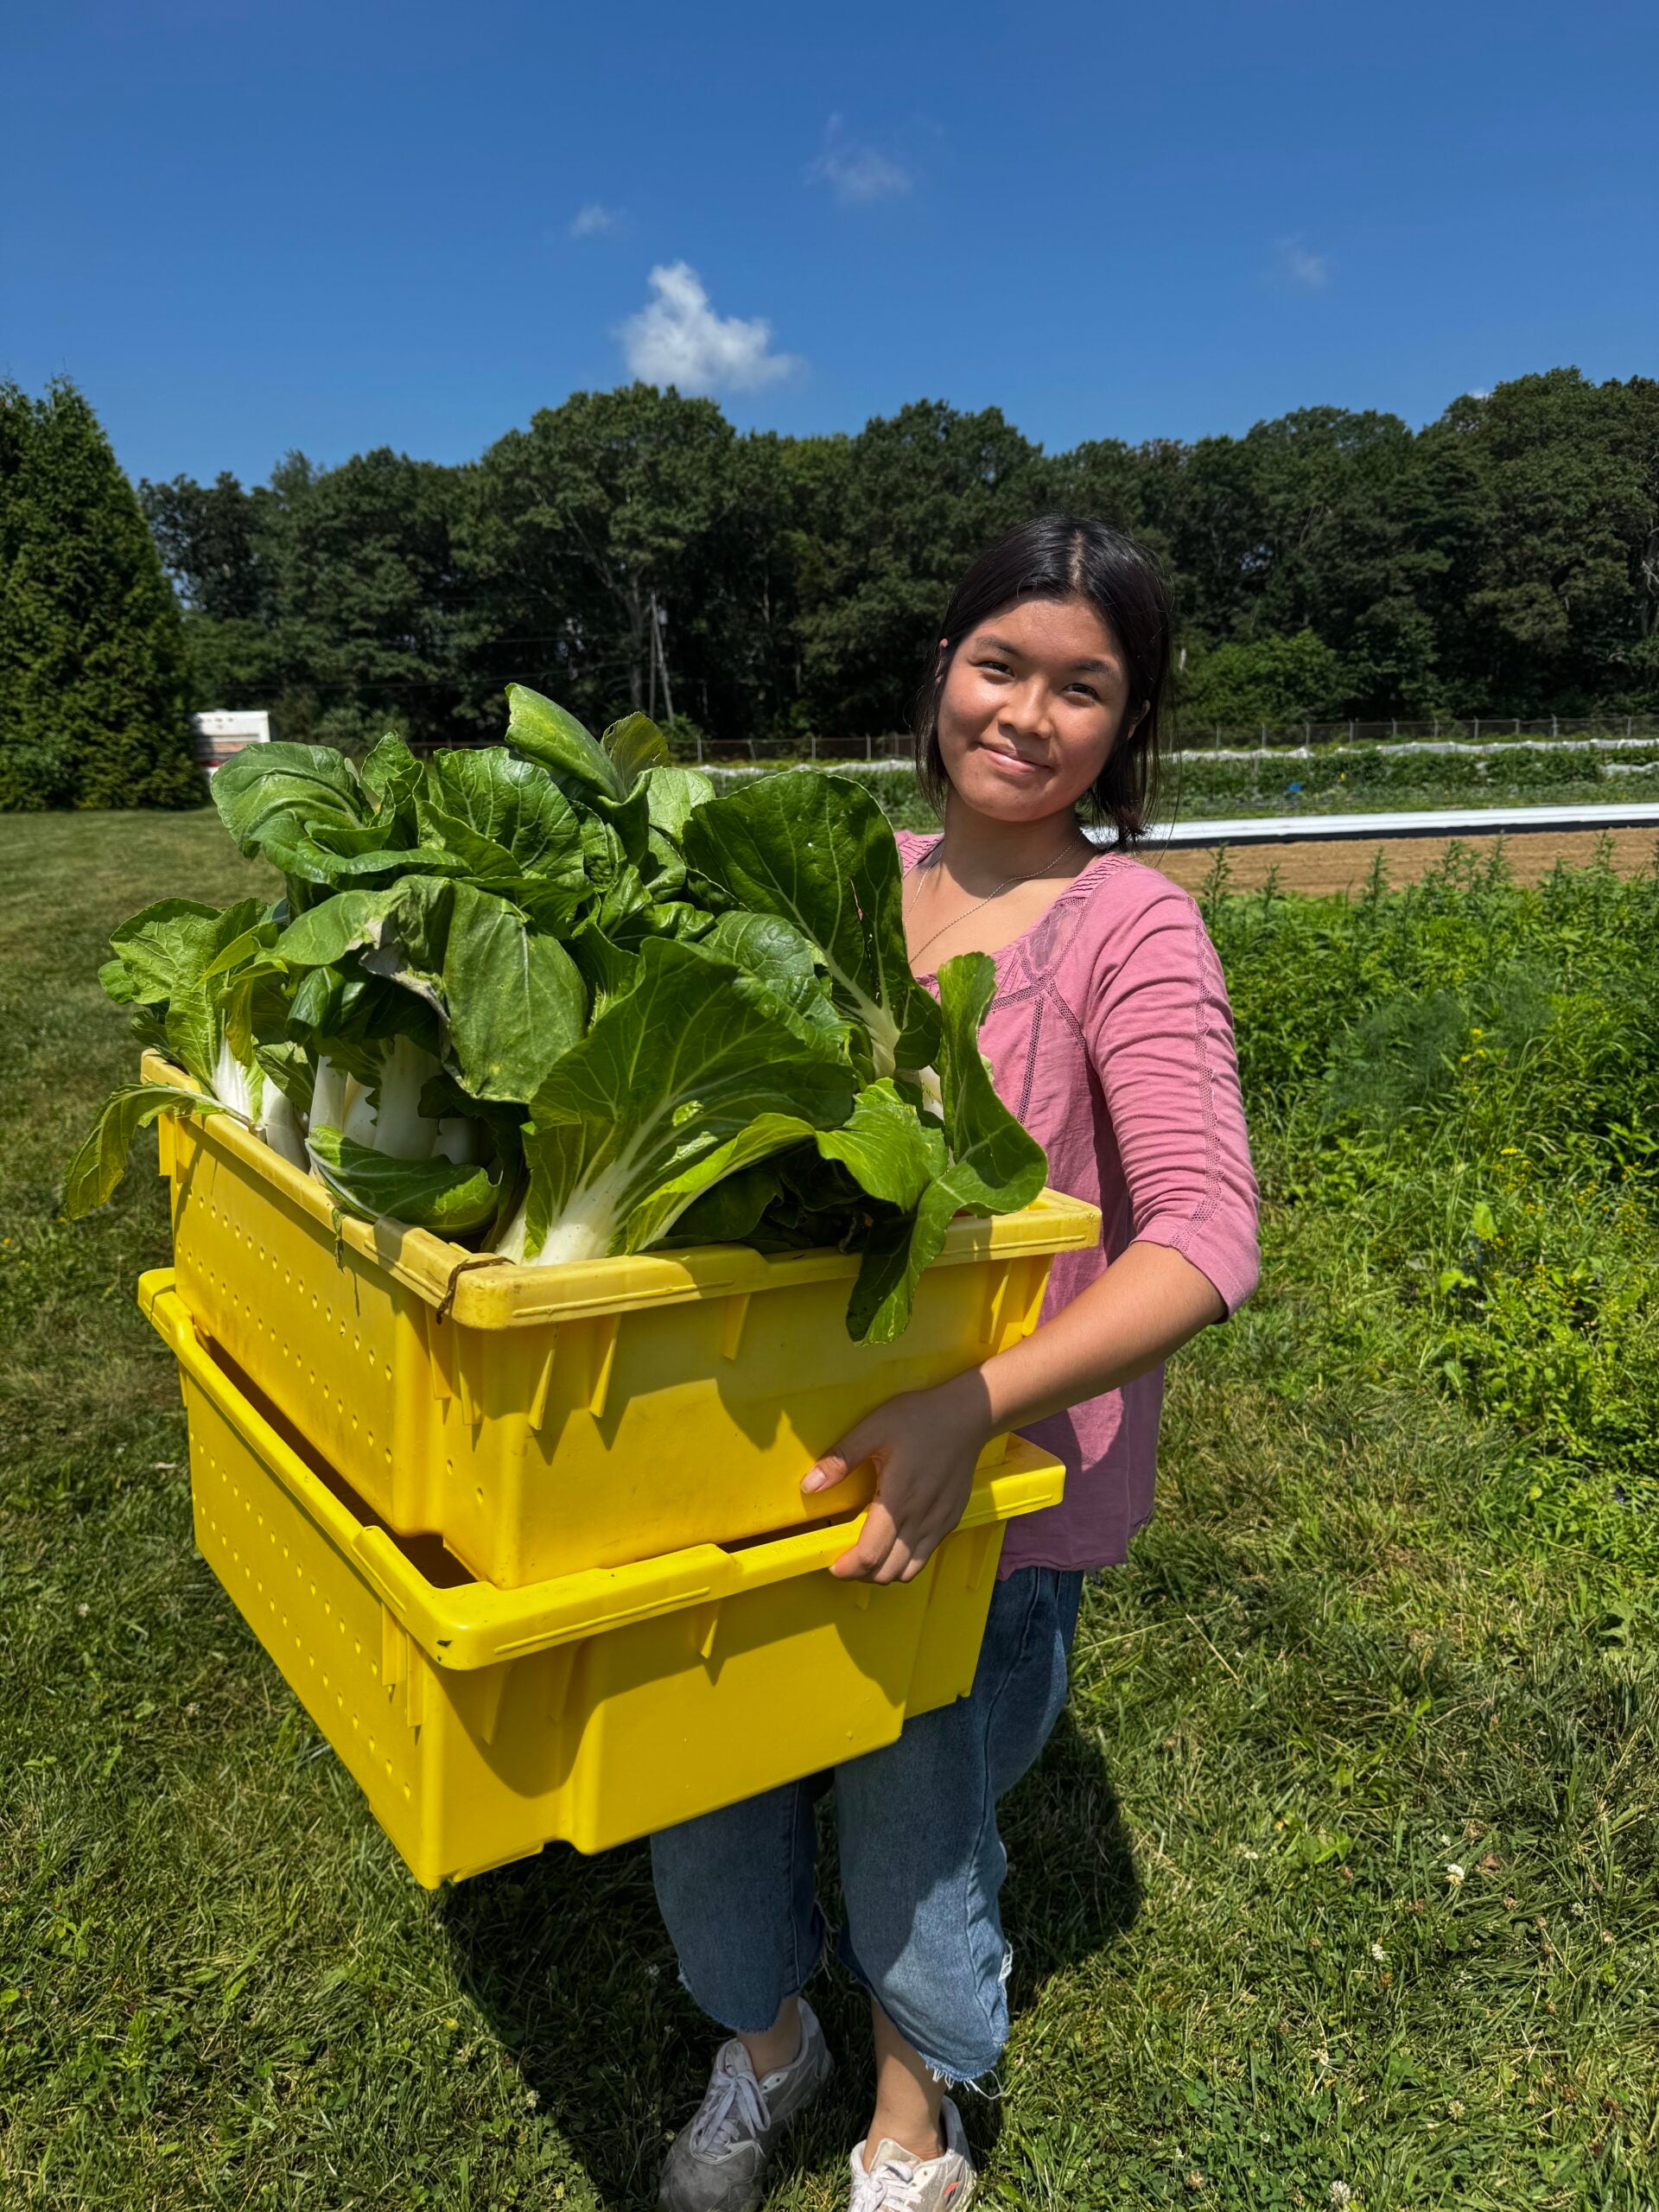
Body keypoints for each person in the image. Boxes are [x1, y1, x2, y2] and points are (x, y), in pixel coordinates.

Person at [652, 515, 1261, 2212]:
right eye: (1000, 665)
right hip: (773, 1446)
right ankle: (767, 2042)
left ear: (1126, 727)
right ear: (942, 671)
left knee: (917, 1825)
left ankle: (912, 2126)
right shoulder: (857, 881)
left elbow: (1209, 1234)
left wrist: (968, 1405)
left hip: (984, 1484)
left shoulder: (1130, 925)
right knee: (708, 1775)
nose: (1029, 715)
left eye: (1085, 687)